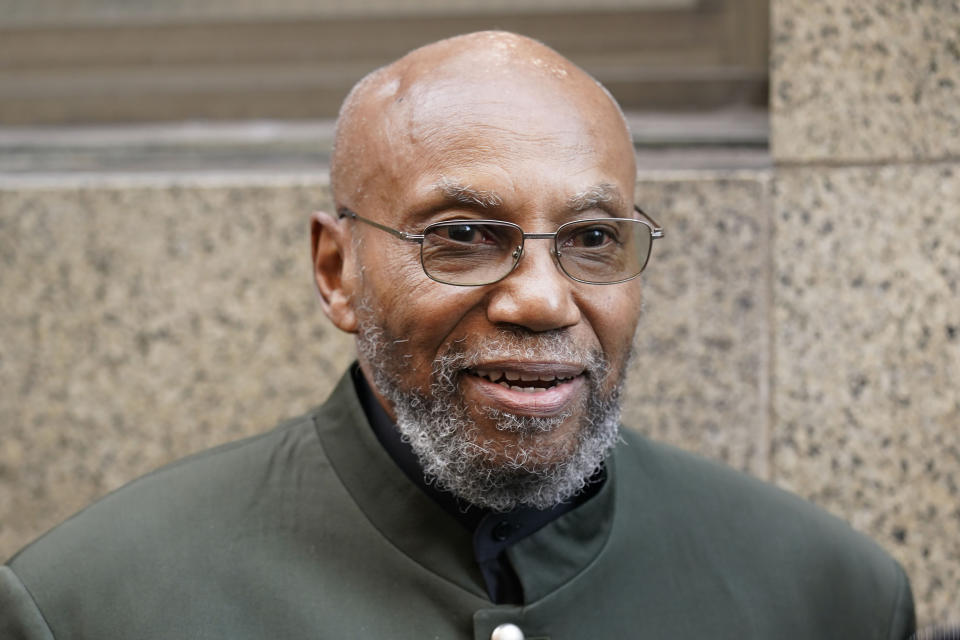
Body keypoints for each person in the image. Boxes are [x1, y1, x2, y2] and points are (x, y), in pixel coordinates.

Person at [1, 31, 915, 640]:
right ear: (336, 272)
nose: (543, 300)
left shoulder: (827, 597)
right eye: (465, 238)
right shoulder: (91, 606)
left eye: (593, 240)